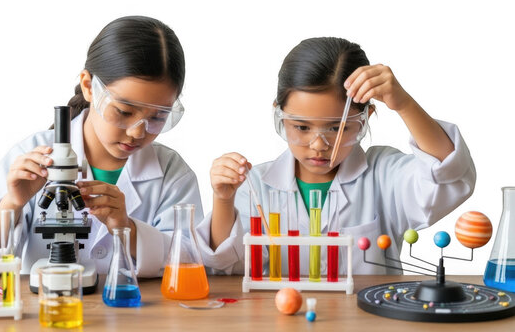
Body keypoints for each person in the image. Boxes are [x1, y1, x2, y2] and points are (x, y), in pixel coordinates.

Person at [198, 37, 476, 275]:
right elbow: (226, 265)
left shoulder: (383, 174)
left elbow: (448, 176)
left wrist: (403, 104)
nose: (319, 145)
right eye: (302, 127)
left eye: (336, 127)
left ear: (365, 117)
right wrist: (224, 200)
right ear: (279, 115)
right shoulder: (256, 184)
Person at [0, 16, 202, 277]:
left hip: (137, 315)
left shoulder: (172, 173)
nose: (137, 131)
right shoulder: (31, 152)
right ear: (88, 87)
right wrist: (12, 203)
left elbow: (192, 259)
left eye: (158, 117)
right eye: (124, 111)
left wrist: (128, 229)